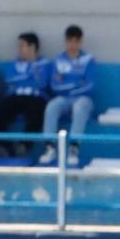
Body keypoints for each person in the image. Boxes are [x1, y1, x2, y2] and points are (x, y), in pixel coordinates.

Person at [40, 25, 96, 163]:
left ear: (80, 42)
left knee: (80, 107)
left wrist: (65, 82)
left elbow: (89, 86)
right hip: (64, 99)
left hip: (84, 99)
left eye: (76, 41)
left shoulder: (88, 60)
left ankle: (73, 149)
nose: (72, 44)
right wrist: (77, 83)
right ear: (66, 41)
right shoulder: (58, 60)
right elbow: (54, 86)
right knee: (52, 106)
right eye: (70, 41)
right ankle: (50, 147)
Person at [1, 32, 49, 154]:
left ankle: (24, 146)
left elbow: (42, 83)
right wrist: (29, 76)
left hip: (35, 97)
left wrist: (22, 78)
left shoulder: (44, 64)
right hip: (16, 97)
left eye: (22, 46)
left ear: (32, 47)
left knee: (37, 110)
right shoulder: (14, 63)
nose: (19, 49)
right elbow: (10, 80)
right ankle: (4, 146)